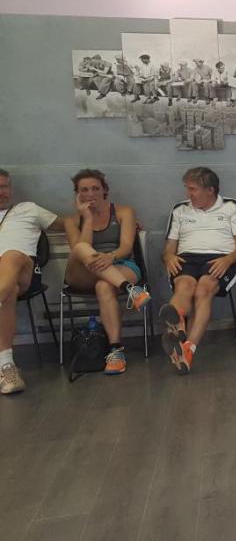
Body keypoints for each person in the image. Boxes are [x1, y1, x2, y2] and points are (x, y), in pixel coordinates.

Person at [159, 167, 236, 374]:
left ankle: (188, 348)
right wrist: (168, 257)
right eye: (187, 188)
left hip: (220, 257)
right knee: (185, 285)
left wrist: (229, 259)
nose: (188, 194)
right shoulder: (179, 209)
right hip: (187, 257)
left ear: (210, 190)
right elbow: (169, 248)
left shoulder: (231, 206)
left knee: (204, 288)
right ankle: (176, 326)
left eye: (193, 189)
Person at [62, 169, 152, 375]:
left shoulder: (124, 212)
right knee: (80, 248)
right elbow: (81, 249)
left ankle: (115, 351)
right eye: (84, 190)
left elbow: (126, 247)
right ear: (77, 194)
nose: (90, 193)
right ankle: (130, 289)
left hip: (120, 264)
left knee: (104, 286)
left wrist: (109, 257)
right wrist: (87, 219)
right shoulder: (71, 220)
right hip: (82, 273)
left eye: (95, 188)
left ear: (105, 190)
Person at [0, 169, 63, 394]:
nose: (1, 192)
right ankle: (6, 366)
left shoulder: (28, 209)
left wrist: (121, 222)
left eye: (4, 186)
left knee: (11, 256)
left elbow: (69, 224)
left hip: (25, 269)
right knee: (9, 290)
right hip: (9, 284)